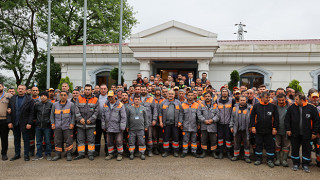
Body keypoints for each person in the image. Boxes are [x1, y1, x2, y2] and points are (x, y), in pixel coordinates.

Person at [285, 93, 320, 173]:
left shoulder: (311, 108)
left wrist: (314, 132)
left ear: (302, 100)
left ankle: (305, 165)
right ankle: (296, 164)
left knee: (306, 150)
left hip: (307, 134)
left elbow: (317, 121)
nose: (295, 101)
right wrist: (288, 129)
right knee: (295, 149)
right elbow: (287, 120)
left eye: (297, 99)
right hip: (294, 133)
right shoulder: (291, 108)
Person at [250, 91, 279, 168]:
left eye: (269, 97)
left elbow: (276, 118)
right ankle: (259, 159)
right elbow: (252, 117)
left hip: (269, 130)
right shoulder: (256, 106)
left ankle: (269, 160)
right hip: (258, 130)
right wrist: (253, 127)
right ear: (262, 98)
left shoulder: (273, 106)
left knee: (270, 146)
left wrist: (275, 128)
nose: (268, 99)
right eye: (266, 97)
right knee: (258, 145)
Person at [7, 85, 34, 161]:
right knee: (16, 139)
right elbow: (8, 111)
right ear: (17, 90)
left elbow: (32, 113)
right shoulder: (13, 99)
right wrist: (9, 121)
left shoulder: (29, 100)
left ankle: (26, 155)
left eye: (22, 89)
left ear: (25, 91)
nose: (20, 90)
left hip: (25, 123)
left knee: (26, 139)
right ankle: (17, 154)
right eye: (19, 89)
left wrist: (29, 123)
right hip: (15, 122)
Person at [74, 84, 99, 161]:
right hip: (80, 124)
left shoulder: (95, 99)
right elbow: (76, 109)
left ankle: (90, 154)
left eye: (89, 89)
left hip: (91, 125)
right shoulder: (79, 98)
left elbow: (96, 112)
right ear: (84, 90)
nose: (87, 91)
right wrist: (80, 118)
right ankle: (81, 154)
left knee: (91, 140)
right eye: (86, 89)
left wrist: (91, 119)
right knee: (80, 140)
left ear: (92, 90)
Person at [50, 91, 75, 161]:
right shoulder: (55, 105)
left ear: (67, 96)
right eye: (62, 95)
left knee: (69, 141)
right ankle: (58, 154)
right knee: (57, 141)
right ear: (59, 96)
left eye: (64, 95)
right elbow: (52, 115)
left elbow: (73, 115)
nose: (63, 96)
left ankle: (69, 154)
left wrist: (72, 123)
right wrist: (53, 124)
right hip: (57, 127)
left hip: (67, 126)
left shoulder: (71, 104)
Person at [102, 90, 127, 161]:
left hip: (117, 127)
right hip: (108, 127)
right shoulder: (105, 104)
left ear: (115, 96)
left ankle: (120, 154)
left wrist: (122, 126)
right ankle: (111, 154)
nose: (110, 98)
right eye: (109, 97)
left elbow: (123, 117)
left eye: (111, 96)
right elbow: (103, 116)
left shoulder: (120, 105)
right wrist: (103, 126)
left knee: (119, 141)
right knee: (109, 141)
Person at [179, 91, 203, 158]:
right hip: (185, 126)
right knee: (185, 140)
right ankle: (184, 151)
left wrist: (198, 124)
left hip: (194, 126)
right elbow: (181, 115)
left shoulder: (197, 105)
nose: (190, 96)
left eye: (191, 95)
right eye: (189, 95)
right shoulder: (183, 105)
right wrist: (181, 123)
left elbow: (198, 116)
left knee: (194, 140)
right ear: (186, 96)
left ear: (194, 96)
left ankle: (194, 151)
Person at [159, 90, 182, 157]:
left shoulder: (178, 103)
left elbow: (181, 113)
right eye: (169, 94)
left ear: (174, 95)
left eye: (172, 94)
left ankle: (175, 151)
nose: (170, 95)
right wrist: (160, 122)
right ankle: (166, 151)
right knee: (166, 138)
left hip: (175, 124)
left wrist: (180, 122)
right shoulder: (163, 102)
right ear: (167, 94)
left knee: (175, 138)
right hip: (166, 124)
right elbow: (160, 113)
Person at [230, 96, 252, 163]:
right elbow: (232, 118)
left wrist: (251, 127)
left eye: (243, 100)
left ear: (246, 100)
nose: (242, 101)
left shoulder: (250, 108)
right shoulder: (234, 108)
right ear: (239, 101)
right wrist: (231, 126)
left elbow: (252, 118)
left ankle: (247, 156)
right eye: (241, 100)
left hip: (246, 129)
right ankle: (236, 156)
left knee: (247, 143)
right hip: (237, 129)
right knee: (236, 143)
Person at [32, 92, 53, 161]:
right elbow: (34, 114)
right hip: (38, 126)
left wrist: (50, 122)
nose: (43, 97)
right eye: (41, 96)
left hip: (47, 126)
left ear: (47, 97)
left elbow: (52, 115)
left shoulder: (51, 104)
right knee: (38, 141)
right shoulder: (37, 105)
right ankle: (39, 154)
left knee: (48, 141)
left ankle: (48, 154)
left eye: (44, 96)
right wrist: (36, 121)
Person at [127, 95, 148, 160]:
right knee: (131, 141)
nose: (137, 101)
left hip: (141, 128)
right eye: (135, 99)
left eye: (138, 99)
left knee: (141, 141)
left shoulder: (143, 108)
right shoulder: (129, 108)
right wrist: (127, 126)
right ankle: (131, 153)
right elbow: (127, 118)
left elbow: (146, 118)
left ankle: (142, 153)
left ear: (140, 100)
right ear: (133, 100)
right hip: (132, 129)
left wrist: (146, 126)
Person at [198, 92, 219, 158]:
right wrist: (204, 120)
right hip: (204, 126)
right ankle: (204, 152)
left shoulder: (215, 105)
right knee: (203, 139)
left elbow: (218, 115)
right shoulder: (201, 105)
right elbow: (199, 115)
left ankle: (213, 152)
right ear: (204, 97)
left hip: (213, 126)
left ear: (211, 97)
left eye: (208, 96)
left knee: (213, 140)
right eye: (206, 96)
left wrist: (212, 120)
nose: (207, 97)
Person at [216, 88, 235, 160]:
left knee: (228, 139)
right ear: (221, 93)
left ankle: (228, 153)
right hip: (220, 123)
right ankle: (220, 152)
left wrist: (232, 123)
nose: (224, 93)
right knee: (220, 138)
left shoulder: (231, 100)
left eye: (225, 92)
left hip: (228, 123)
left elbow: (234, 112)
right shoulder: (217, 100)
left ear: (228, 93)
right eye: (223, 92)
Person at [274, 94, 291, 167]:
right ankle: (278, 159)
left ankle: (284, 160)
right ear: (277, 100)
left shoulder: (289, 107)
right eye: (279, 100)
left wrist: (290, 129)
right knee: (277, 145)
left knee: (286, 145)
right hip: (277, 130)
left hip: (286, 130)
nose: (281, 101)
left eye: (282, 100)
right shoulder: (274, 107)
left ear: (285, 99)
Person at [140, 85, 157, 157]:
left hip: (149, 121)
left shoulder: (151, 98)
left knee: (149, 137)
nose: (143, 91)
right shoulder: (137, 98)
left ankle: (150, 151)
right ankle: (142, 151)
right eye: (142, 90)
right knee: (141, 137)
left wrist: (154, 119)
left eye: (144, 90)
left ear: (147, 90)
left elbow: (154, 110)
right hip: (140, 122)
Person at [0, 82, 13, 161]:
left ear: (3, 87)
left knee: (4, 138)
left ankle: (4, 153)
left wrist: (11, 110)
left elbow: (13, 106)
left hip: (4, 120)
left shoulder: (9, 96)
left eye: (0, 86)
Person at [95, 84, 108, 156]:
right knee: (97, 136)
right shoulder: (96, 97)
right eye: (102, 88)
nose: (103, 90)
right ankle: (97, 151)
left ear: (107, 89)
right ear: (99, 89)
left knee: (106, 137)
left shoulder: (110, 98)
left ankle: (107, 151)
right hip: (98, 120)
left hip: (106, 121)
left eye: (104, 89)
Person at [153, 87, 165, 155]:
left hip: (161, 120)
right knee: (154, 135)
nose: (157, 92)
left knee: (161, 135)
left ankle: (160, 147)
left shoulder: (163, 99)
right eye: (156, 90)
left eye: (158, 90)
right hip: (154, 120)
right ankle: (155, 148)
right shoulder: (152, 99)